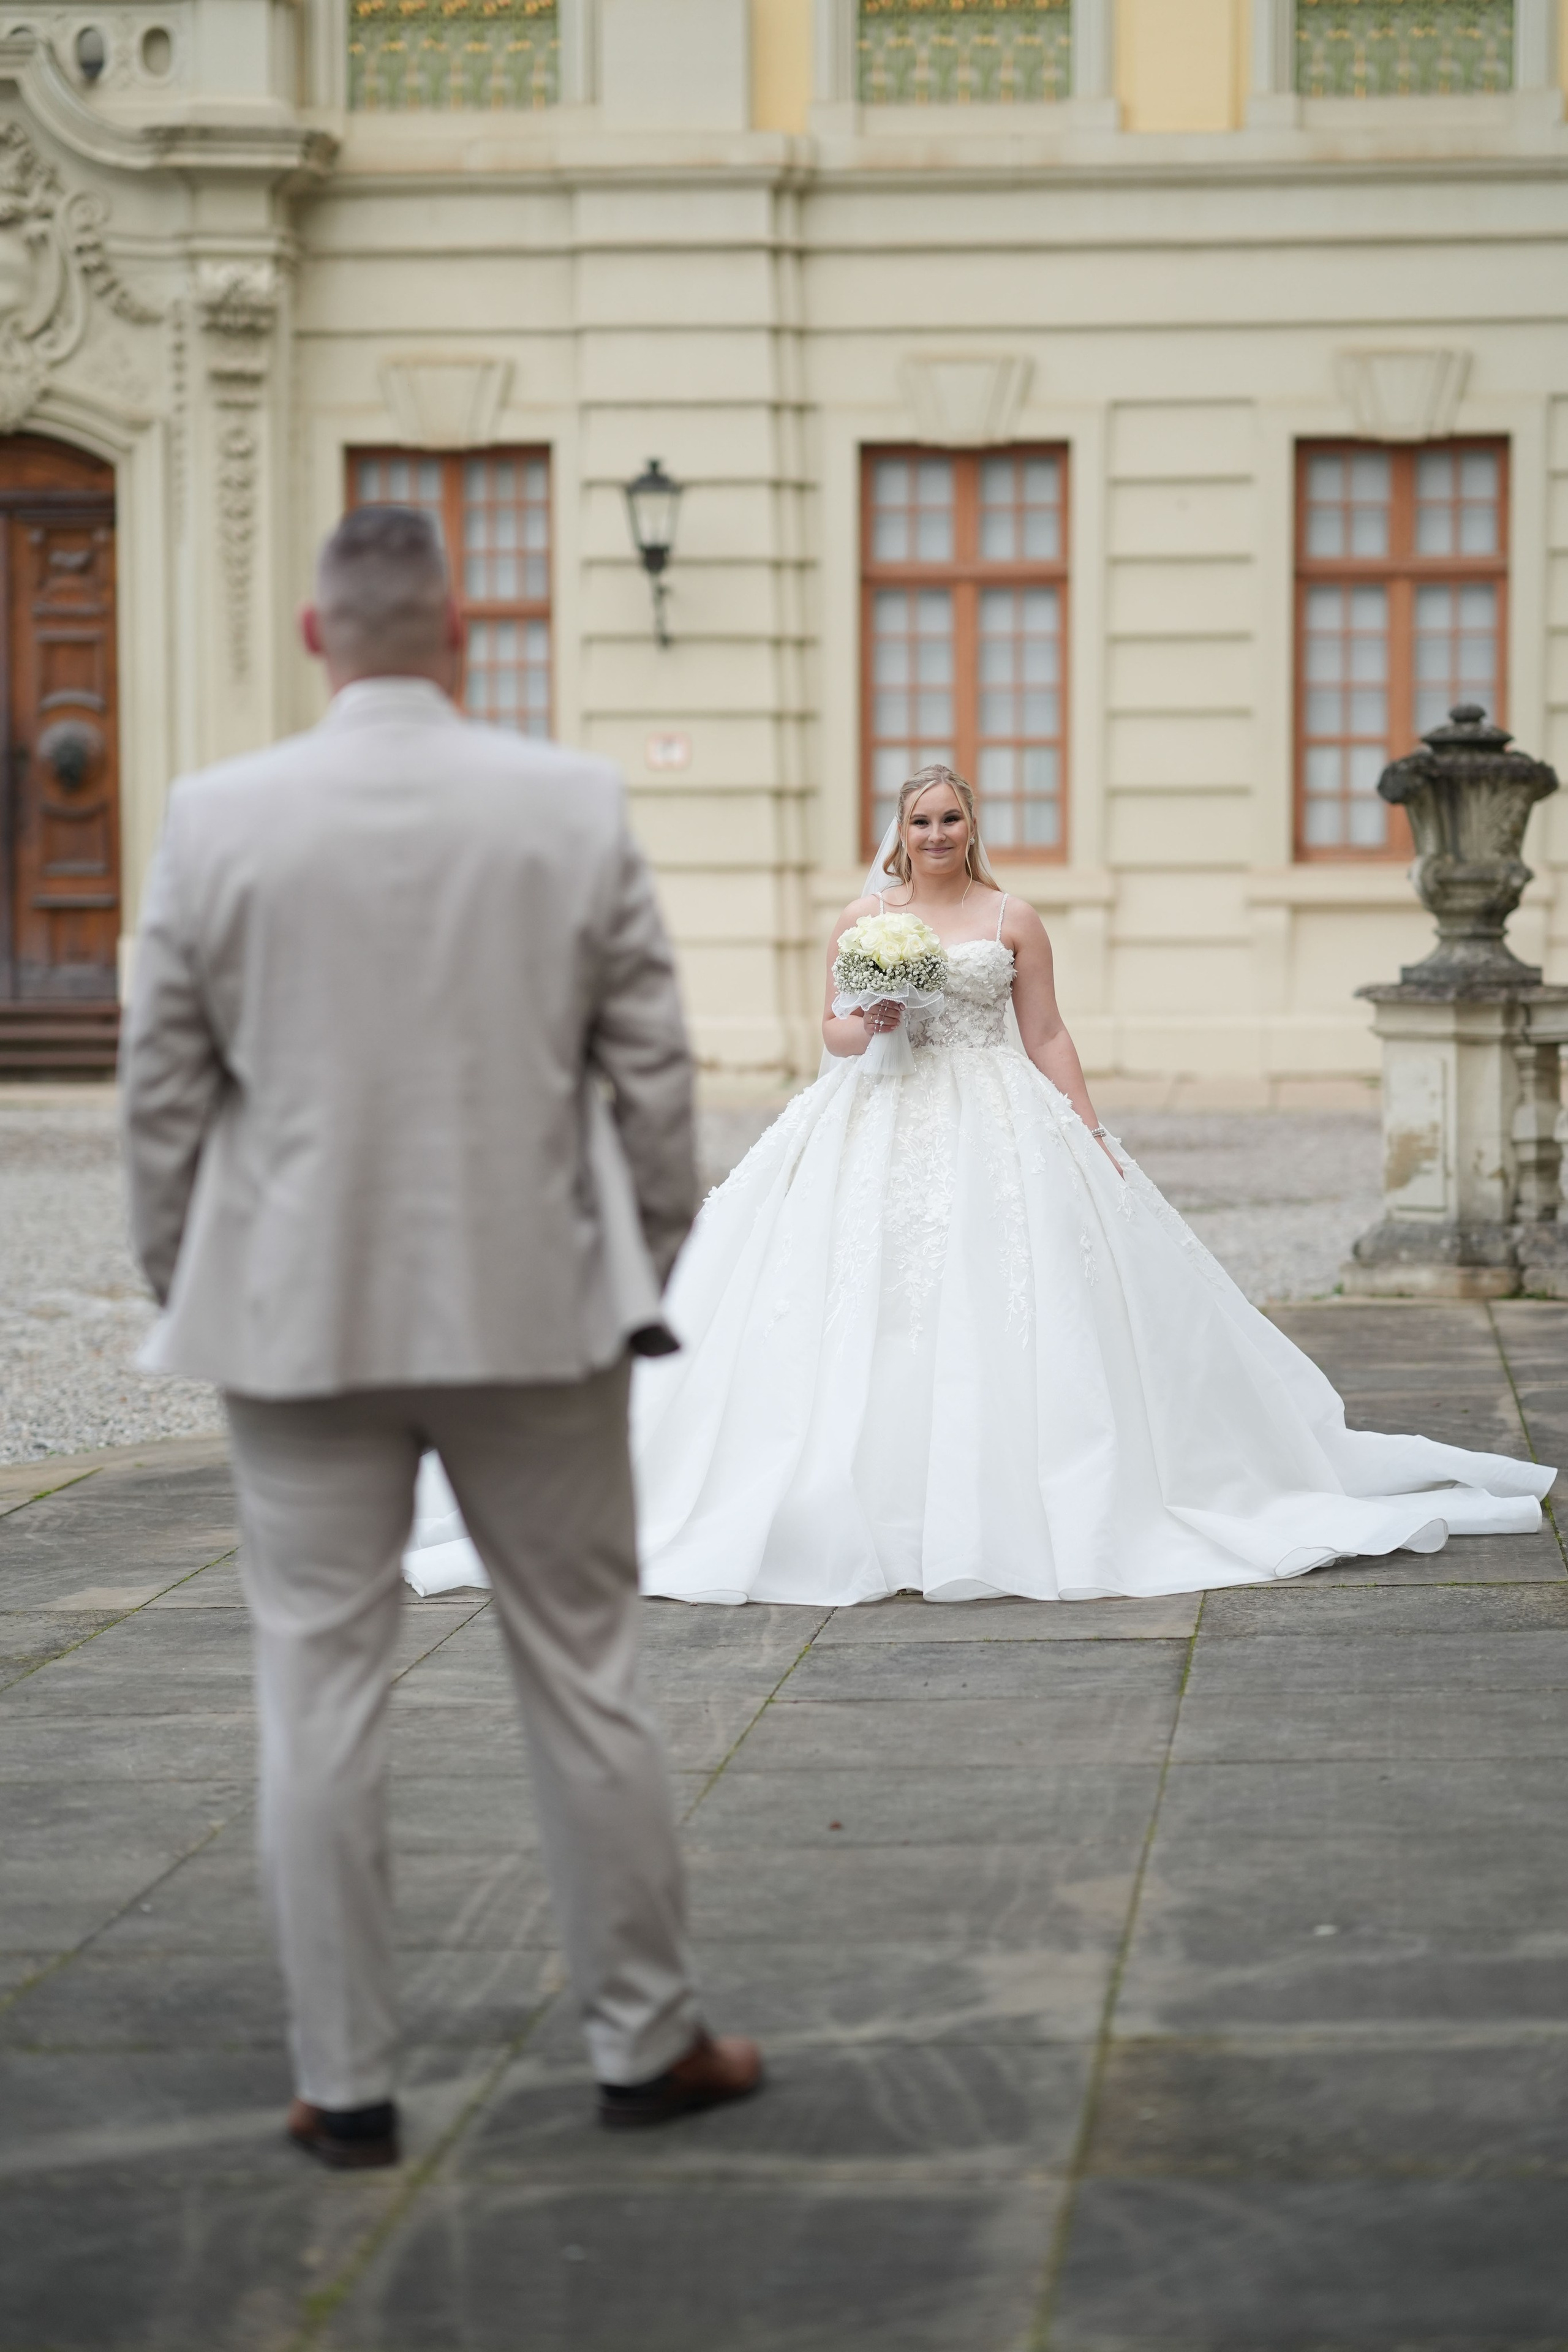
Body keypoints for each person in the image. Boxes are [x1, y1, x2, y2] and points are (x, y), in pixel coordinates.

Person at [119, 504, 761, 2168]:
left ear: (320, 639)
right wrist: (640, 1260)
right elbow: (654, 1074)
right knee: (587, 1675)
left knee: (314, 1691)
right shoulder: (568, 803)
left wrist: (198, 1270)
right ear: (458, 634)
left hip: (295, 1315)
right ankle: (643, 2039)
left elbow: (164, 1092)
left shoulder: (213, 817)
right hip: (536, 1306)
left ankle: (345, 2085)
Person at [624, 763, 1554, 1605]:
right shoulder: (863, 922)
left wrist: (1089, 1128)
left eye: (951, 819)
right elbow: (827, 1034)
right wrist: (871, 1019)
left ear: (971, 826)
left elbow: (1048, 1034)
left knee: (1004, 1295)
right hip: (881, 1109)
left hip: (994, 1113)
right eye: (921, 822)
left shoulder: (1010, 918)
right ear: (898, 832)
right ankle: (861, 1497)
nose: (937, 835)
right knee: (873, 1297)